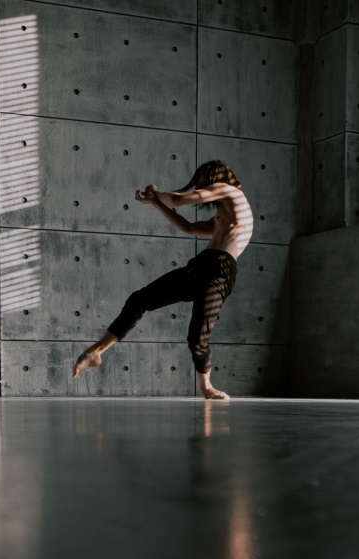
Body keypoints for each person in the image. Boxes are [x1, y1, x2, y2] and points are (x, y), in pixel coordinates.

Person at [72, 160, 254, 400]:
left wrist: (157, 194)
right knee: (140, 299)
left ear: (214, 178)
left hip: (220, 269)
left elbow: (179, 199)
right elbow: (188, 227)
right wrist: (156, 203)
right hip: (201, 266)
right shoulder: (224, 215)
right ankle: (95, 352)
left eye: (202, 182)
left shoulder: (231, 192)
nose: (200, 187)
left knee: (197, 338)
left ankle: (206, 387)